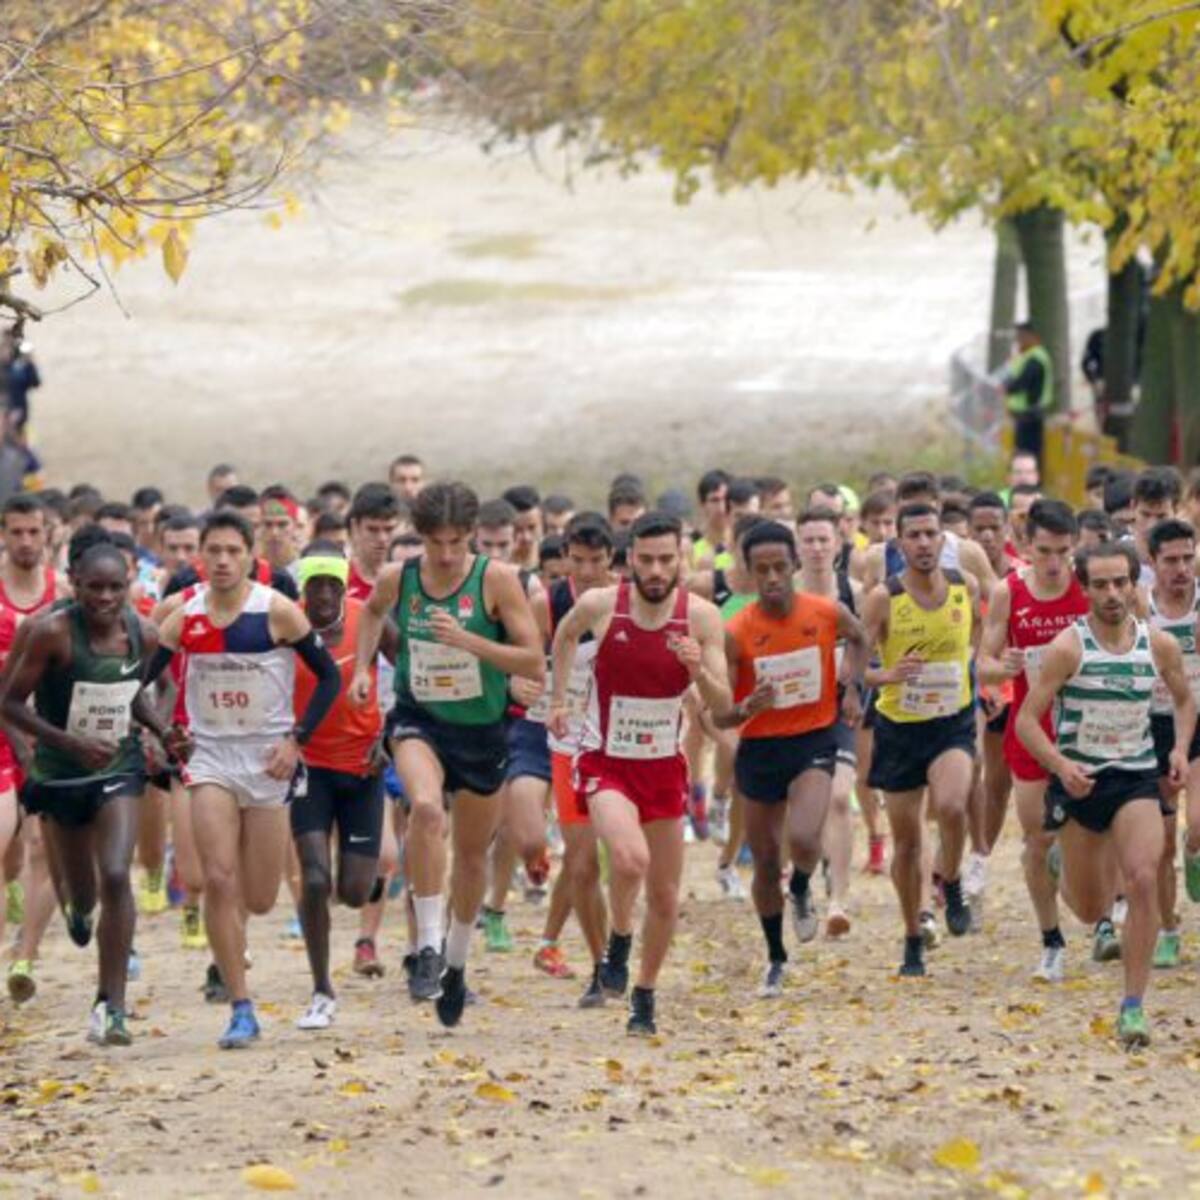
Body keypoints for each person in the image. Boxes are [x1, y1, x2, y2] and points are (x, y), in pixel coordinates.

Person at [350, 481, 543, 1027]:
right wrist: (362, 669)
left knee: (473, 856)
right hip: (420, 719)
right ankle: (428, 947)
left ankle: (456, 963)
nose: (447, 554)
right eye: (436, 542)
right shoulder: (401, 578)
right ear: (421, 537)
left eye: (457, 542)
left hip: (481, 730)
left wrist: (469, 642)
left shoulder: (495, 580)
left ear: (472, 536)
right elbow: (371, 613)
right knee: (426, 810)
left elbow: (532, 660)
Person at [148, 510, 342, 1048]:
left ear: (250, 556)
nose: (223, 561)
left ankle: (240, 959)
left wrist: (296, 741)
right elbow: (138, 680)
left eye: (233, 551)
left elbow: (330, 677)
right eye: (213, 551)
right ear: (201, 556)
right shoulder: (183, 618)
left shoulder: (277, 611)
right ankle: (240, 1006)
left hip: (267, 763)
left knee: (258, 897)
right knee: (217, 878)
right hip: (210, 758)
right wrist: (163, 731)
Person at [548, 511, 729, 1035]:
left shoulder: (701, 618)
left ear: (681, 560)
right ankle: (620, 938)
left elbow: (722, 703)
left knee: (666, 895)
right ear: (629, 560)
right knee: (629, 860)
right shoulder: (602, 605)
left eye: (665, 560)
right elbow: (564, 637)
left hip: (663, 767)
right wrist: (560, 698)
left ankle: (644, 993)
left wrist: (697, 670)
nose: (655, 570)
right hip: (605, 760)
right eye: (646, 560)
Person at [1016, 540, 1195, 1048]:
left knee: (1142, 878)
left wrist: (1180, 749)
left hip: (1135, 777)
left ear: (1134, 583)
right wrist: (1060, 765)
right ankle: (1061, 863)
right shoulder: (1068, 649)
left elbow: (1185, 701)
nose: (1112, 593)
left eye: (1120, 582)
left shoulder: (1158, 645)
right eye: (1100, 585)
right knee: (1090, 907)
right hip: (1082, 782)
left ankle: (1133, 1006)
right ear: (1085, 589)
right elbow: (1027, 721)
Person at [0, 542, 170, 1045]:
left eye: (116, 587)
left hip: (118, 767)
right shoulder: (51, 633)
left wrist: (163, 732)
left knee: (117, 873)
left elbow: (133, 695)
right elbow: (9, 701)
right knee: (84, 895)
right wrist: (67, 743)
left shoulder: (143, 633)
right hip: (61, 775)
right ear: (74, 583)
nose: (106, 598)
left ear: (129, 586)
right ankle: (76, 906)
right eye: (95, 587)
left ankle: (110, 1007)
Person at [716, 521, 866, 997]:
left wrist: (852, 686)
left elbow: (860, 637)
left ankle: (801, 885)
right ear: (748, 572)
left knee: (803, 838)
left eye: (780, 567)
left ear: (795, 565)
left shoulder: (824, 611)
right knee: (763, 861)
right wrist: (746, 706)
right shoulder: (736, 631)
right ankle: (776, 957)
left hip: (813, 740)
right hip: (760, 750)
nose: (772, 578)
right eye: (762, 570)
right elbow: (720, 714)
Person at [863, 503, 980, 976]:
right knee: (907, 843)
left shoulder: (965, 586)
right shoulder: (883, 598)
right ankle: (912, 934)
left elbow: (976, 639)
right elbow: (857, 670)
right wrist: (889, 673)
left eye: (932, 534)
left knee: (952, 805)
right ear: (900, 544)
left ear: (943, 539)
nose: (924, 543)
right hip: (899, 728)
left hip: (952, 720)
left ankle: (950, 878)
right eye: (914, 536)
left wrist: (976, 671)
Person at [978, 499, 1088, 980]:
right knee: (1038, 839)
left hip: (1089, 728)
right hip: (1031, 729)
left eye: (1063, 551)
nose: (1054, 563)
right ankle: (1051, 942)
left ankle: (1105, 914)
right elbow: (982, 661)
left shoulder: (1091, 584)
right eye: (1044, 551)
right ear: (1025, 546)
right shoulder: (1009, 591)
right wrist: (999, 668)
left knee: (1090, 837)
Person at [290, 545, 395, 1030]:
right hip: (309, 768)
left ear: (345, 585)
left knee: (353, 891)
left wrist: (389, 737)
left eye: (333, 584)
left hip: (361, 770)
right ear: (303, 588)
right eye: (315, 585)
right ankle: (321, 989)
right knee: (314, 879)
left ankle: (364, 878)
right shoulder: (285, 625)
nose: (325, 595)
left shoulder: (368, 620)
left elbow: (411, 673)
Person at [793, 507, 864, 937]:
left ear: (838, 544)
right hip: (795, 710)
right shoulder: (784, 595)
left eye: (824, 540)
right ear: (798, 546)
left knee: (839, 798)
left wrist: (855, 685)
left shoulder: (855, 592)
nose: (817, 548)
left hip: (841, 708)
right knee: (802, 808)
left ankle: (838, 899)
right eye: (809, 540)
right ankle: (801, 883)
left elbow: (868, 643)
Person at [1143, 518, 1200, 970]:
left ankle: (1194, 849)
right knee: (1159, 842)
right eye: (1171, 560)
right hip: (1154, 725)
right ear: (1153, 561)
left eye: (1188, 558)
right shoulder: (1138, 607)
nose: (1181, 568)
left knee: (1196, 822)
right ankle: (1167, 928)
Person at [1002, 321, 1054, 467]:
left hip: (1030, 415)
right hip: (1026, 415)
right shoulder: (1028, 356)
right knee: (1025, 454)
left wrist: (1006, 385)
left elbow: (1020, 384)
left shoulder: (1035, 359)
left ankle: (1028, 479)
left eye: (1021, 337)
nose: (1018, 341)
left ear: (1032, 337)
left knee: (1027, 455)